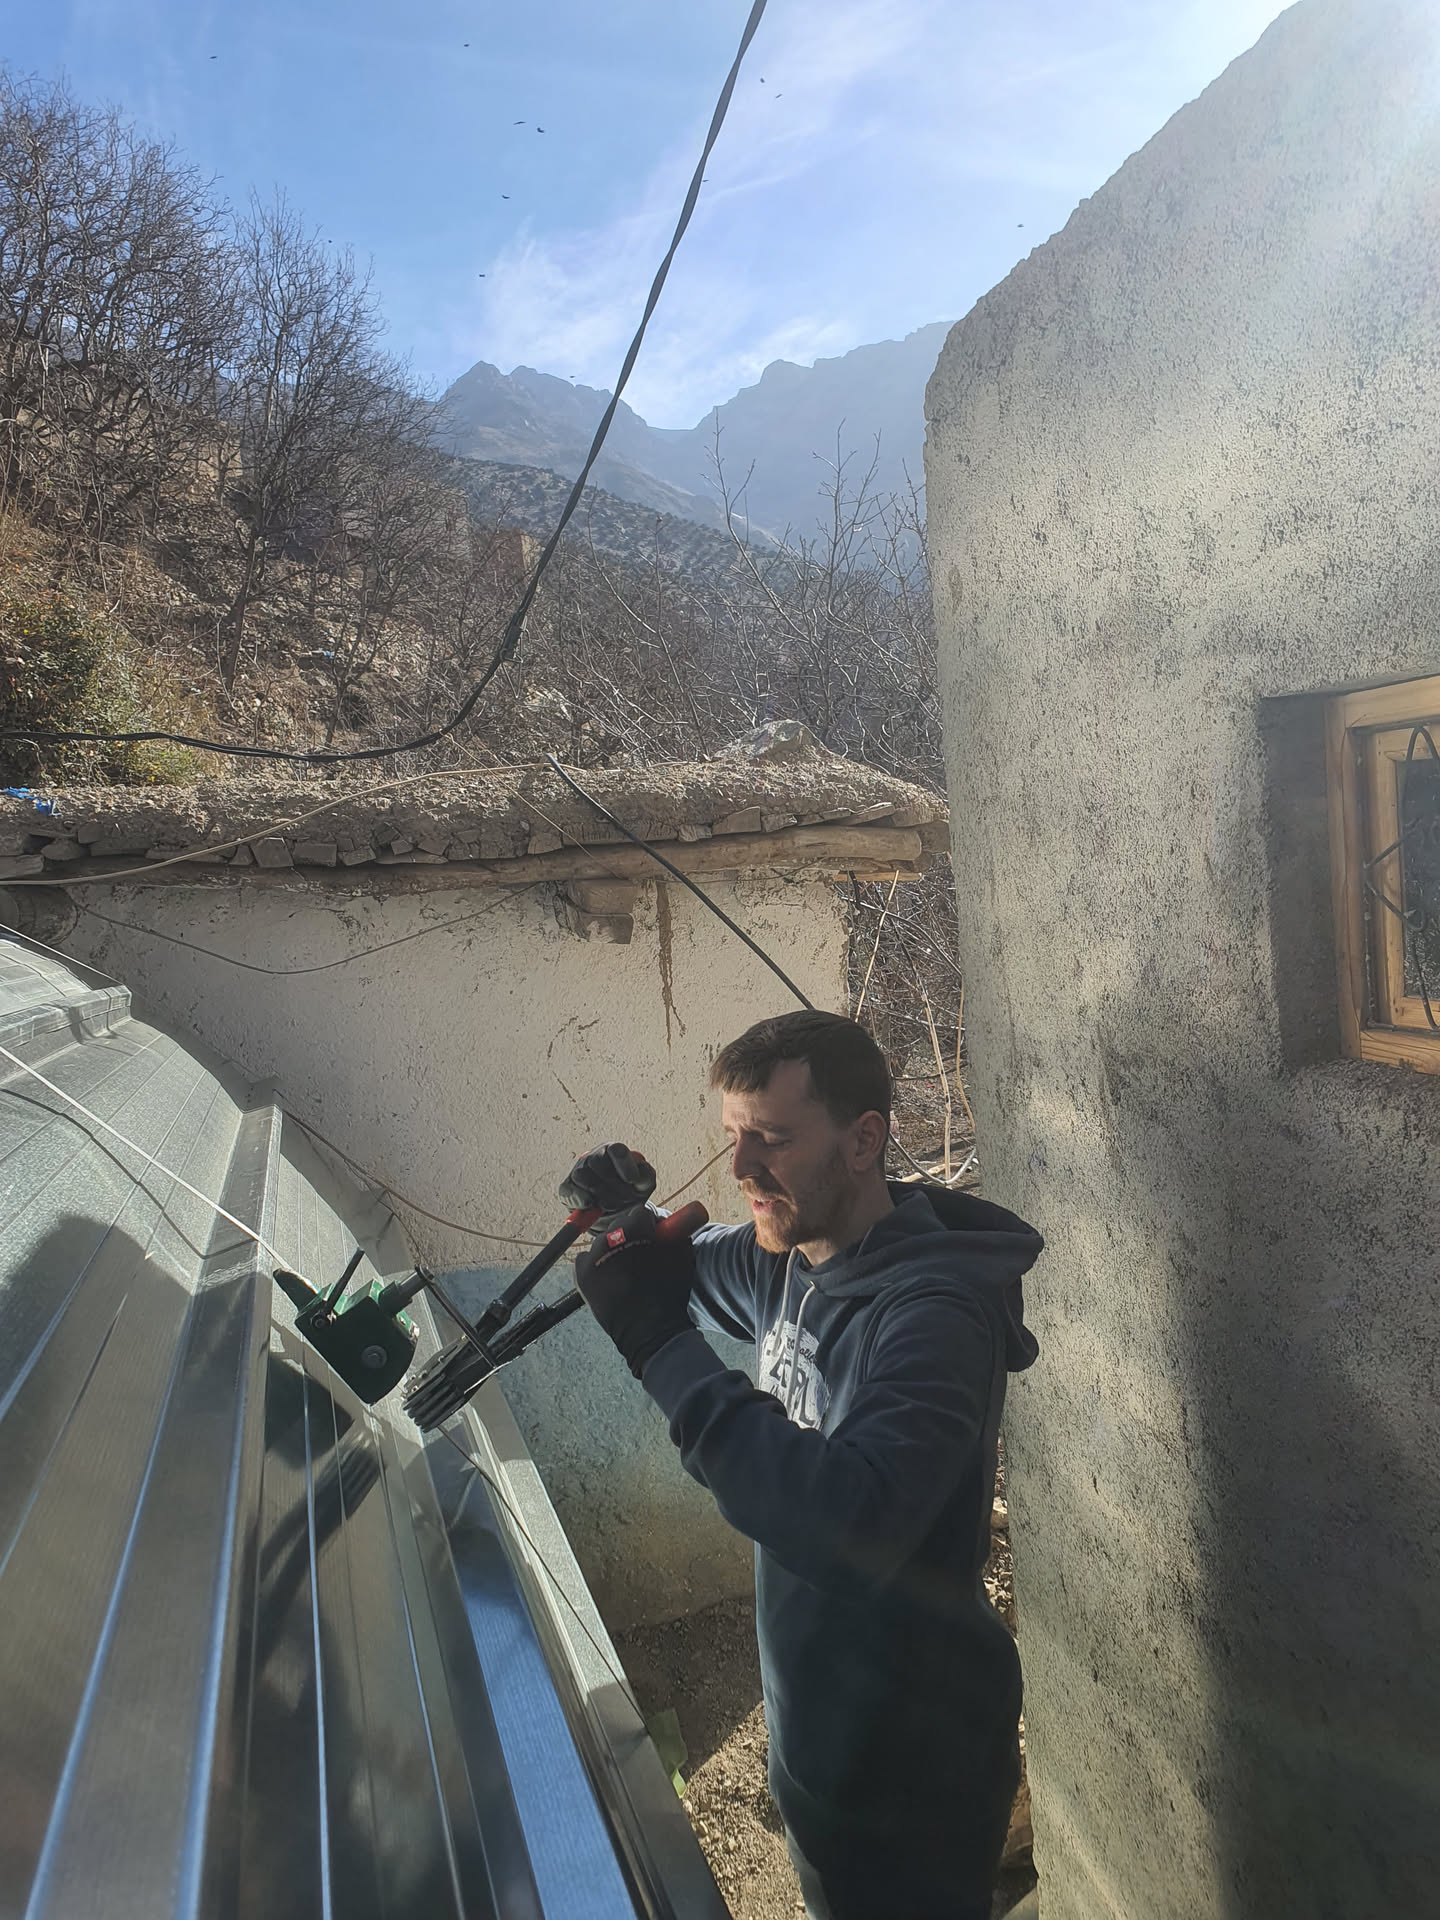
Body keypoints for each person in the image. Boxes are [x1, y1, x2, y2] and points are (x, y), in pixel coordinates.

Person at [564, 1009, 1042, 1920]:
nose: (741, 1169)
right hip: (821, 1733)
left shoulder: (934, 1316)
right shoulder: (787, 1255)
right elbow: (675, 1266)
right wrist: (626, 1220)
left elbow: (848, 1526)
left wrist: (661, 1349)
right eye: (733, 1137)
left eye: (773, 1141)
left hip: (911, 1766)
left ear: (863, 1141)